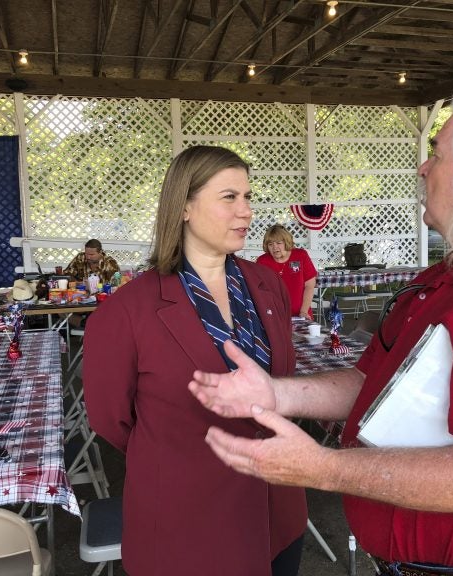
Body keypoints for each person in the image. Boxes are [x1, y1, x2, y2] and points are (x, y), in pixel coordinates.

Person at [187, 83, 453, 576]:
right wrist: (277, 395)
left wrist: (322, 468)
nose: (423, 168)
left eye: (437, 153)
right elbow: (374, 383)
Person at [82, 146, 307, 576]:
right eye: (229, 197)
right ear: (184, 206)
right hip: (186, 523)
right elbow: (111, 419)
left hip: (277, 512)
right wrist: (181, 455)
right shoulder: (127, 310)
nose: (246, 211)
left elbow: (284, 380)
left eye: (248, 196)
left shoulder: (267, 286)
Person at [256, 224, 317, 320]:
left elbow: (309, 286)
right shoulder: (262, 261)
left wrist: (303, 311)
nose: (274, 247)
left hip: (301, 315)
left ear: (286, 242)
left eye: (278, 243)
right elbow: (259, 290)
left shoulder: (301, 255)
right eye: (270, 244)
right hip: (275, 316)